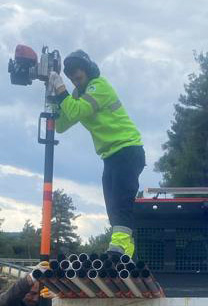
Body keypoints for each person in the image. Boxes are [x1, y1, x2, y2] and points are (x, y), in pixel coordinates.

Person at [48, 50, 145, 258]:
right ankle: (125, 251)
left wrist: (60, 88)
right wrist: (56, 99)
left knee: (121, 202)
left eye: (78, 74)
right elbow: (62, 125)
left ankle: (119, 250)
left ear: (88, 71)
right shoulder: (77, 95)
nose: (75, 79)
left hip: (127, 149)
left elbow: (74, 111)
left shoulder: (99, 87)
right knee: (113, 205)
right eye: (71, 77)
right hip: (110, 155)